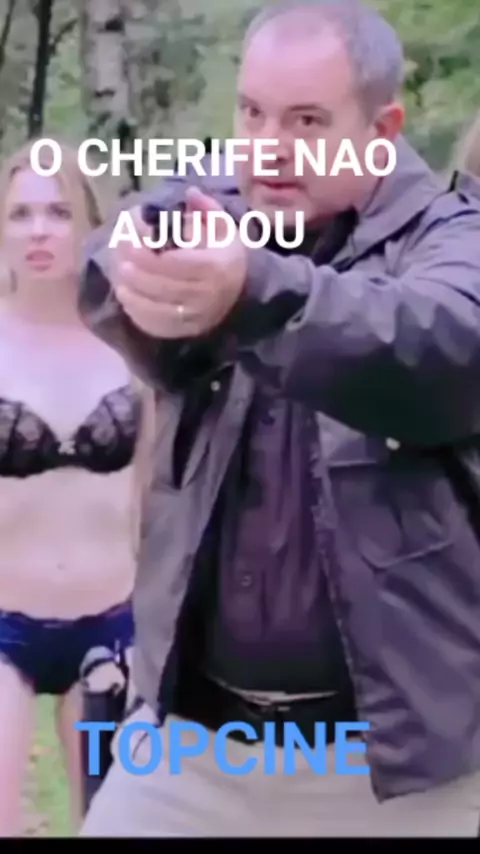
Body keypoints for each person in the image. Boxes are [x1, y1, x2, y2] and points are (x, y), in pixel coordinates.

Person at [79, 0, 480, 838]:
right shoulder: (214, 209)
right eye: (253, 113)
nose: (268, 146)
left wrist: (253, 289)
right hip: (191, 745)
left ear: (382, 130)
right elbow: (110, 265)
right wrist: (142, 269)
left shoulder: (450, 235)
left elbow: (436, 345)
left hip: (399, 770)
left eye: (306, 121)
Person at [0, 139, 147, 836]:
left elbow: (159, 488)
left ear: (89, 222)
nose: (38, 231)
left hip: (113, 626)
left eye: (58, 212)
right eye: (20, 213)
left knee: (114, 824)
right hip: (5, 623)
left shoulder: (135, 336)